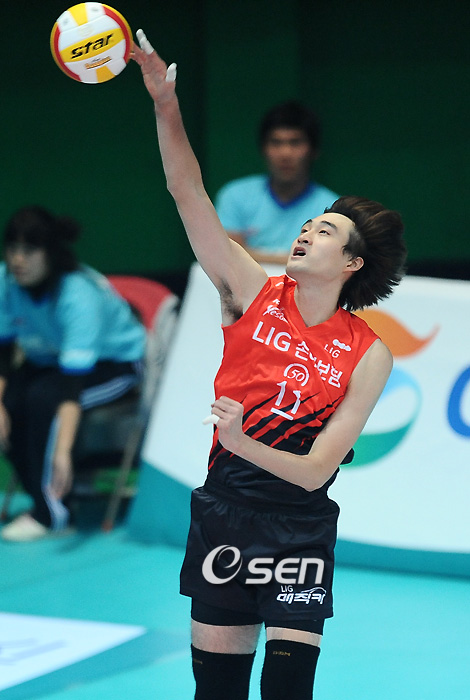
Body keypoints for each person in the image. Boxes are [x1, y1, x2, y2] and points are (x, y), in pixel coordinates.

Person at [133, 31, 407, 700]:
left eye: (326, 232)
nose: (308, 232)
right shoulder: (249, 292)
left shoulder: (369, 352)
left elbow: (316, 472)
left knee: (287, 688)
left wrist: (240, 440)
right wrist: (166, 104)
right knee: (218, 692)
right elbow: (186, 191)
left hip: (300, 527)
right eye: (309, 225)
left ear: (352, 264)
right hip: (226, 512)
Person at [0, 206, 146, 542]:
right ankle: (44, 496)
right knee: (13, 400)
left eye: (29, 250)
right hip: (50, 361)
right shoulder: (6, 283)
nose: (18, 259)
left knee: (44, 401)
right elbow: (3, 356)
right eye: (12, 248)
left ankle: (53, 515)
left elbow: (68, 389)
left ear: (50, 253)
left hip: (114, 365)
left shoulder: (77, 295)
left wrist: (63, 452)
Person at [215, 100, 339, 265]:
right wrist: (296, 259)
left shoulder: (332, 207)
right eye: (276, 142)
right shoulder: (235, 195)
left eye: (295, 142)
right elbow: (226, 254)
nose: (285, 153)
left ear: (314, 150)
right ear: (263, 149)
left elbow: (326, 263)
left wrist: (251, 255)